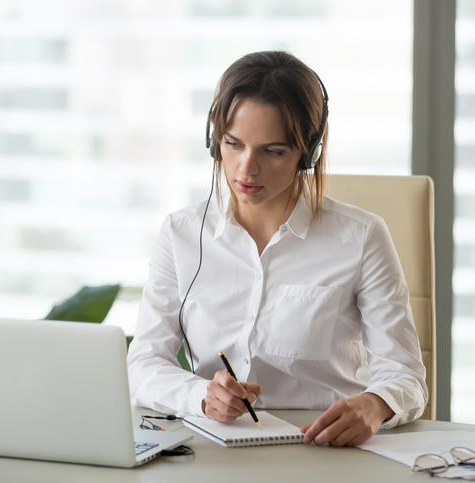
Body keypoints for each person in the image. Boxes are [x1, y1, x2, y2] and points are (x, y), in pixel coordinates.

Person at [127, 50, 427, 447]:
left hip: (322, 451)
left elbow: (405, 375)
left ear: (307, 153)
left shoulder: (362, 237)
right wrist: (200, 396)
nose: (245, 170)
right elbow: (144, 364)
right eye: (233, 144)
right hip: (215, 452)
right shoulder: (181, 234)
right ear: (213, 142)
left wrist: (374, 404)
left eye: (273, 151)